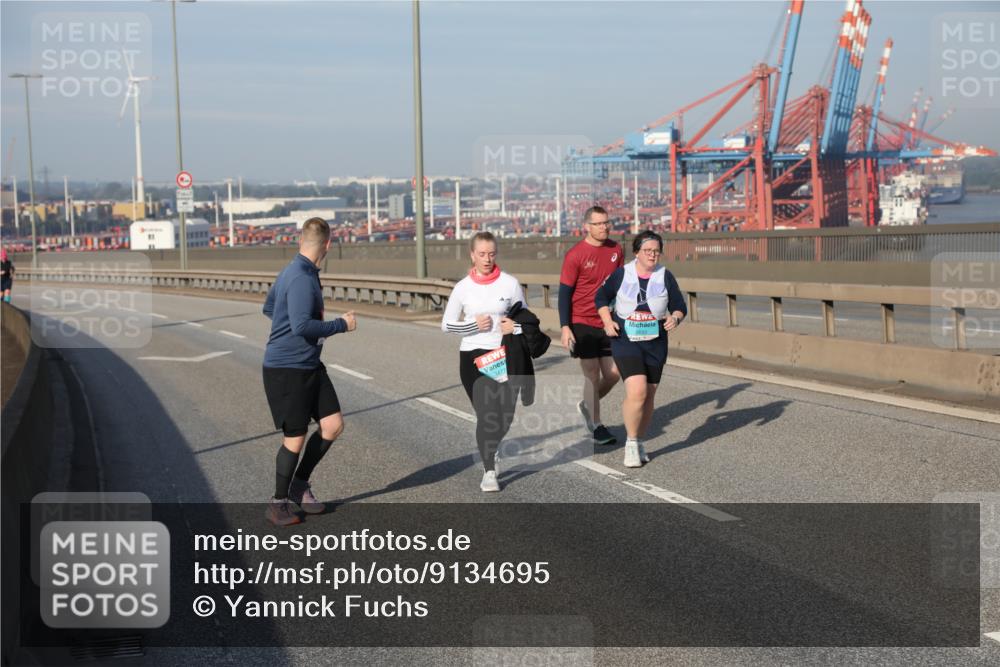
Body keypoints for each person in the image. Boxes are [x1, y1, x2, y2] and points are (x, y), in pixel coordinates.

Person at [262, 217, 356, 526]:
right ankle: (277, 503)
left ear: (301, 240)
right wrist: (341, 325)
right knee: (295, 436)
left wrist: (287, 325)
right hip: (287, 369)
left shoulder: (297, 270)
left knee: (332, 425)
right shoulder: (300, 277)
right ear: (328, 244)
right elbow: (302, 325)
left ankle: (299, 486)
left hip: (309, 364)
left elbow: (269, 309)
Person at [441, 231, 526, 492]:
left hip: (504, 356)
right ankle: (489, 470)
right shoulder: (463, 287)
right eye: (482, 254)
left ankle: (493, 448)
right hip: (473, 356)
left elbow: (527, 320)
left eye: (491, 254)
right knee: (488, 414)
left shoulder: (510, 284)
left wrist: (516, 327)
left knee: (505, 417)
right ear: (472, 255)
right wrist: (472, 325)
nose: (487, 259)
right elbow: (446, 324)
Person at [595, 230, 686, 468]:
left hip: (655, 342)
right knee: (638, 391)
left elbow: (679, 306)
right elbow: (601, 297)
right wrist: (607, 321)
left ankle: (640, 440)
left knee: (649, 395)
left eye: (656, 251)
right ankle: (631, 442)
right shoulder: (622, 274)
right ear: (637, 252)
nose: (652, 255)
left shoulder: (665, 276)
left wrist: (675, 318)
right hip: (625, 339)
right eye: (647, 250)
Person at [558, 206, 623, 446]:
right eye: (598, 223)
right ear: (587, 226)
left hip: (607, 320)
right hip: (581, 320)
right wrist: (565, 327)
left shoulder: (616, 250)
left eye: (606, 222)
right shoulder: (575, 255)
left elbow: (619, 286)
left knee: (614, 374)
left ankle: (587, 404)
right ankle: (596, 425)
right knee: (592, 374)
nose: (604, 227)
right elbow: (565, 293)